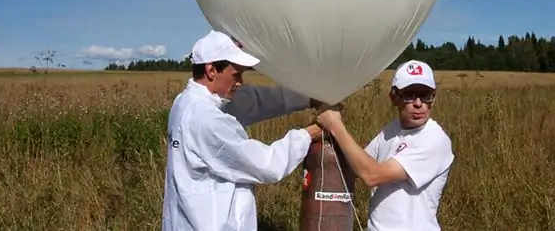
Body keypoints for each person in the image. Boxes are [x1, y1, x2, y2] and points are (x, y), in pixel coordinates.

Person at [162, 29, 325, 231]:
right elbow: (267, 165)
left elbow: (255, 100)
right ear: (211, 70)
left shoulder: (188, 101)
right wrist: (310, 133)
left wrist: (309, 98)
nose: (240, 82)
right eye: (236, 75)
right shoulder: (207, 119)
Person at [316, 59, 454, 231]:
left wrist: (335, 125)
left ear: (433, 99)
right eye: (409, 95)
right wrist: (317, 135)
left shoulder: (434, 140)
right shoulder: (391, 130)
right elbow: (356, 165)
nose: (418, 103)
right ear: (393, 97)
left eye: (425, 95)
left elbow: (372, 175)